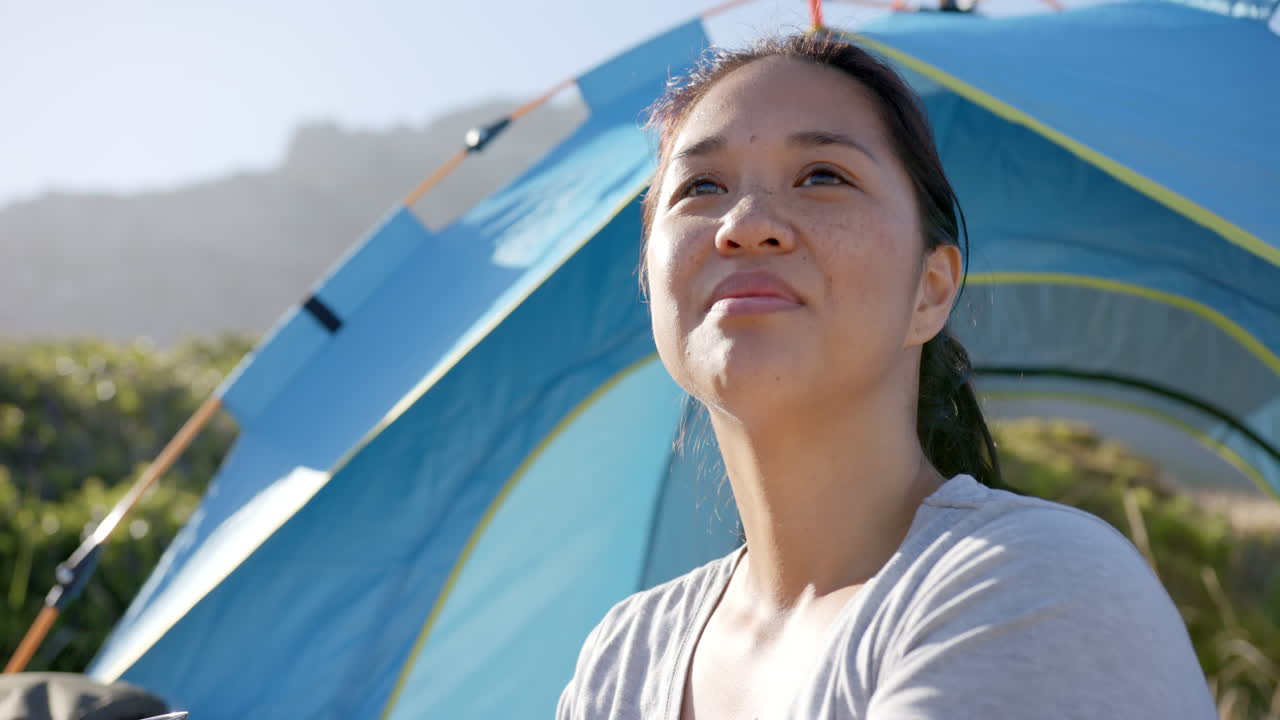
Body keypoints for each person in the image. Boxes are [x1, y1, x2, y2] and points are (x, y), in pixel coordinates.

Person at [556, 33, 1216, 719]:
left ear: (930, 290)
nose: (746, 226)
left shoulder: (1034, 582)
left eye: (822, 176)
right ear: (651, 284)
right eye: (702, 187)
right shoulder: (621, 662)